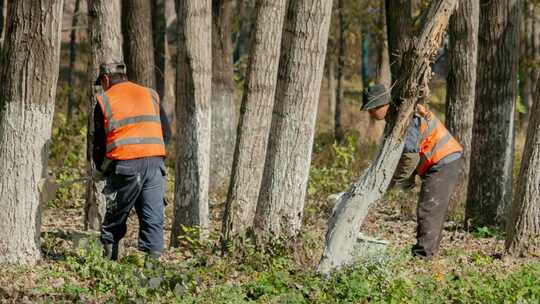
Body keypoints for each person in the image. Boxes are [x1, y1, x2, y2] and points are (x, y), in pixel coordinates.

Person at [362, 84, 463, 259]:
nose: (370, 114)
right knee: (431, 209)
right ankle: (428, 252)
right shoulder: (396, 116)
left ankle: (423, 256)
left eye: (372, 109)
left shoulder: (405, 117)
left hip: (443, 159)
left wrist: (398, 181)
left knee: (429, 209)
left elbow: (410, 156)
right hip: (437, 159)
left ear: (382, 105)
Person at [92, 61, 171, 262]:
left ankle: (109, 265)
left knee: (115, 218)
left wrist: (100, 169)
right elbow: (166, 132)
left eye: (101, 83)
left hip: (126, 167)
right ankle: (153, 278)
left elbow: (100, 143)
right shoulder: (150, 94)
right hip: (155, 165)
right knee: (153, 219)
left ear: (105, 79)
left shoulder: (104, 101)